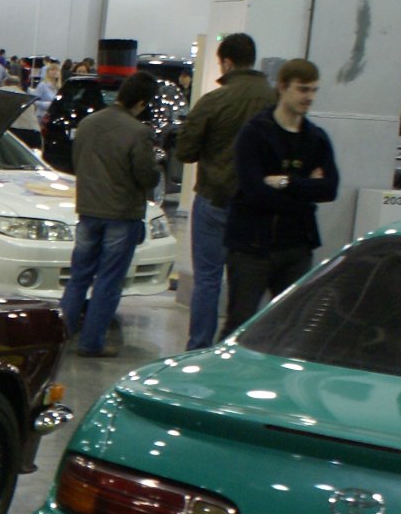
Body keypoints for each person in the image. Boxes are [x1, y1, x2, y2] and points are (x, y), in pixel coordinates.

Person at [173, 33, 276, 349]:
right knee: (249, 283)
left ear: (227, 63)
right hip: (258, 206)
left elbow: (185, 151)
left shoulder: (214, 101)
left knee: (208, 279)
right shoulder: (275, 101)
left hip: (215, 199)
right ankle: (240, 349)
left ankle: (200, 348)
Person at [222, 58, 339, 333]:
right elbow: (255, 193)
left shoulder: (316, 138)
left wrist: (285, 182)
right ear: (283, 87)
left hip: (297, 246)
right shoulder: (255, 133)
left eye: (314, 90)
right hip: (252, 247)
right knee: (240, 324)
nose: (309, 97)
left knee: (291, 328)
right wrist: (305, 192)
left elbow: (329, 189)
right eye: (303, 89)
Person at [61, 71, 161, 358]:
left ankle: (60, 337)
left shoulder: (88, 123)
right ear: (141, 102)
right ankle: (92, 342)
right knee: (108, 280)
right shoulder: (138, 132)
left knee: (79, 277)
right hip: (121, 213)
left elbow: (76, 161)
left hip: (88, 210)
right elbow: (146, 175)